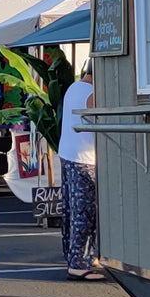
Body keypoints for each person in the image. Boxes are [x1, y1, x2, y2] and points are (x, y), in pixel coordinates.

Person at [59, 63, 102, 280]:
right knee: (86, 213)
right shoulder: (91, 94)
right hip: (86, 159)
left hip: (68, 153)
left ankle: (73, 254)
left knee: (71, 211)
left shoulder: (74, 87)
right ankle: (79, 263)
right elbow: (99, 123)